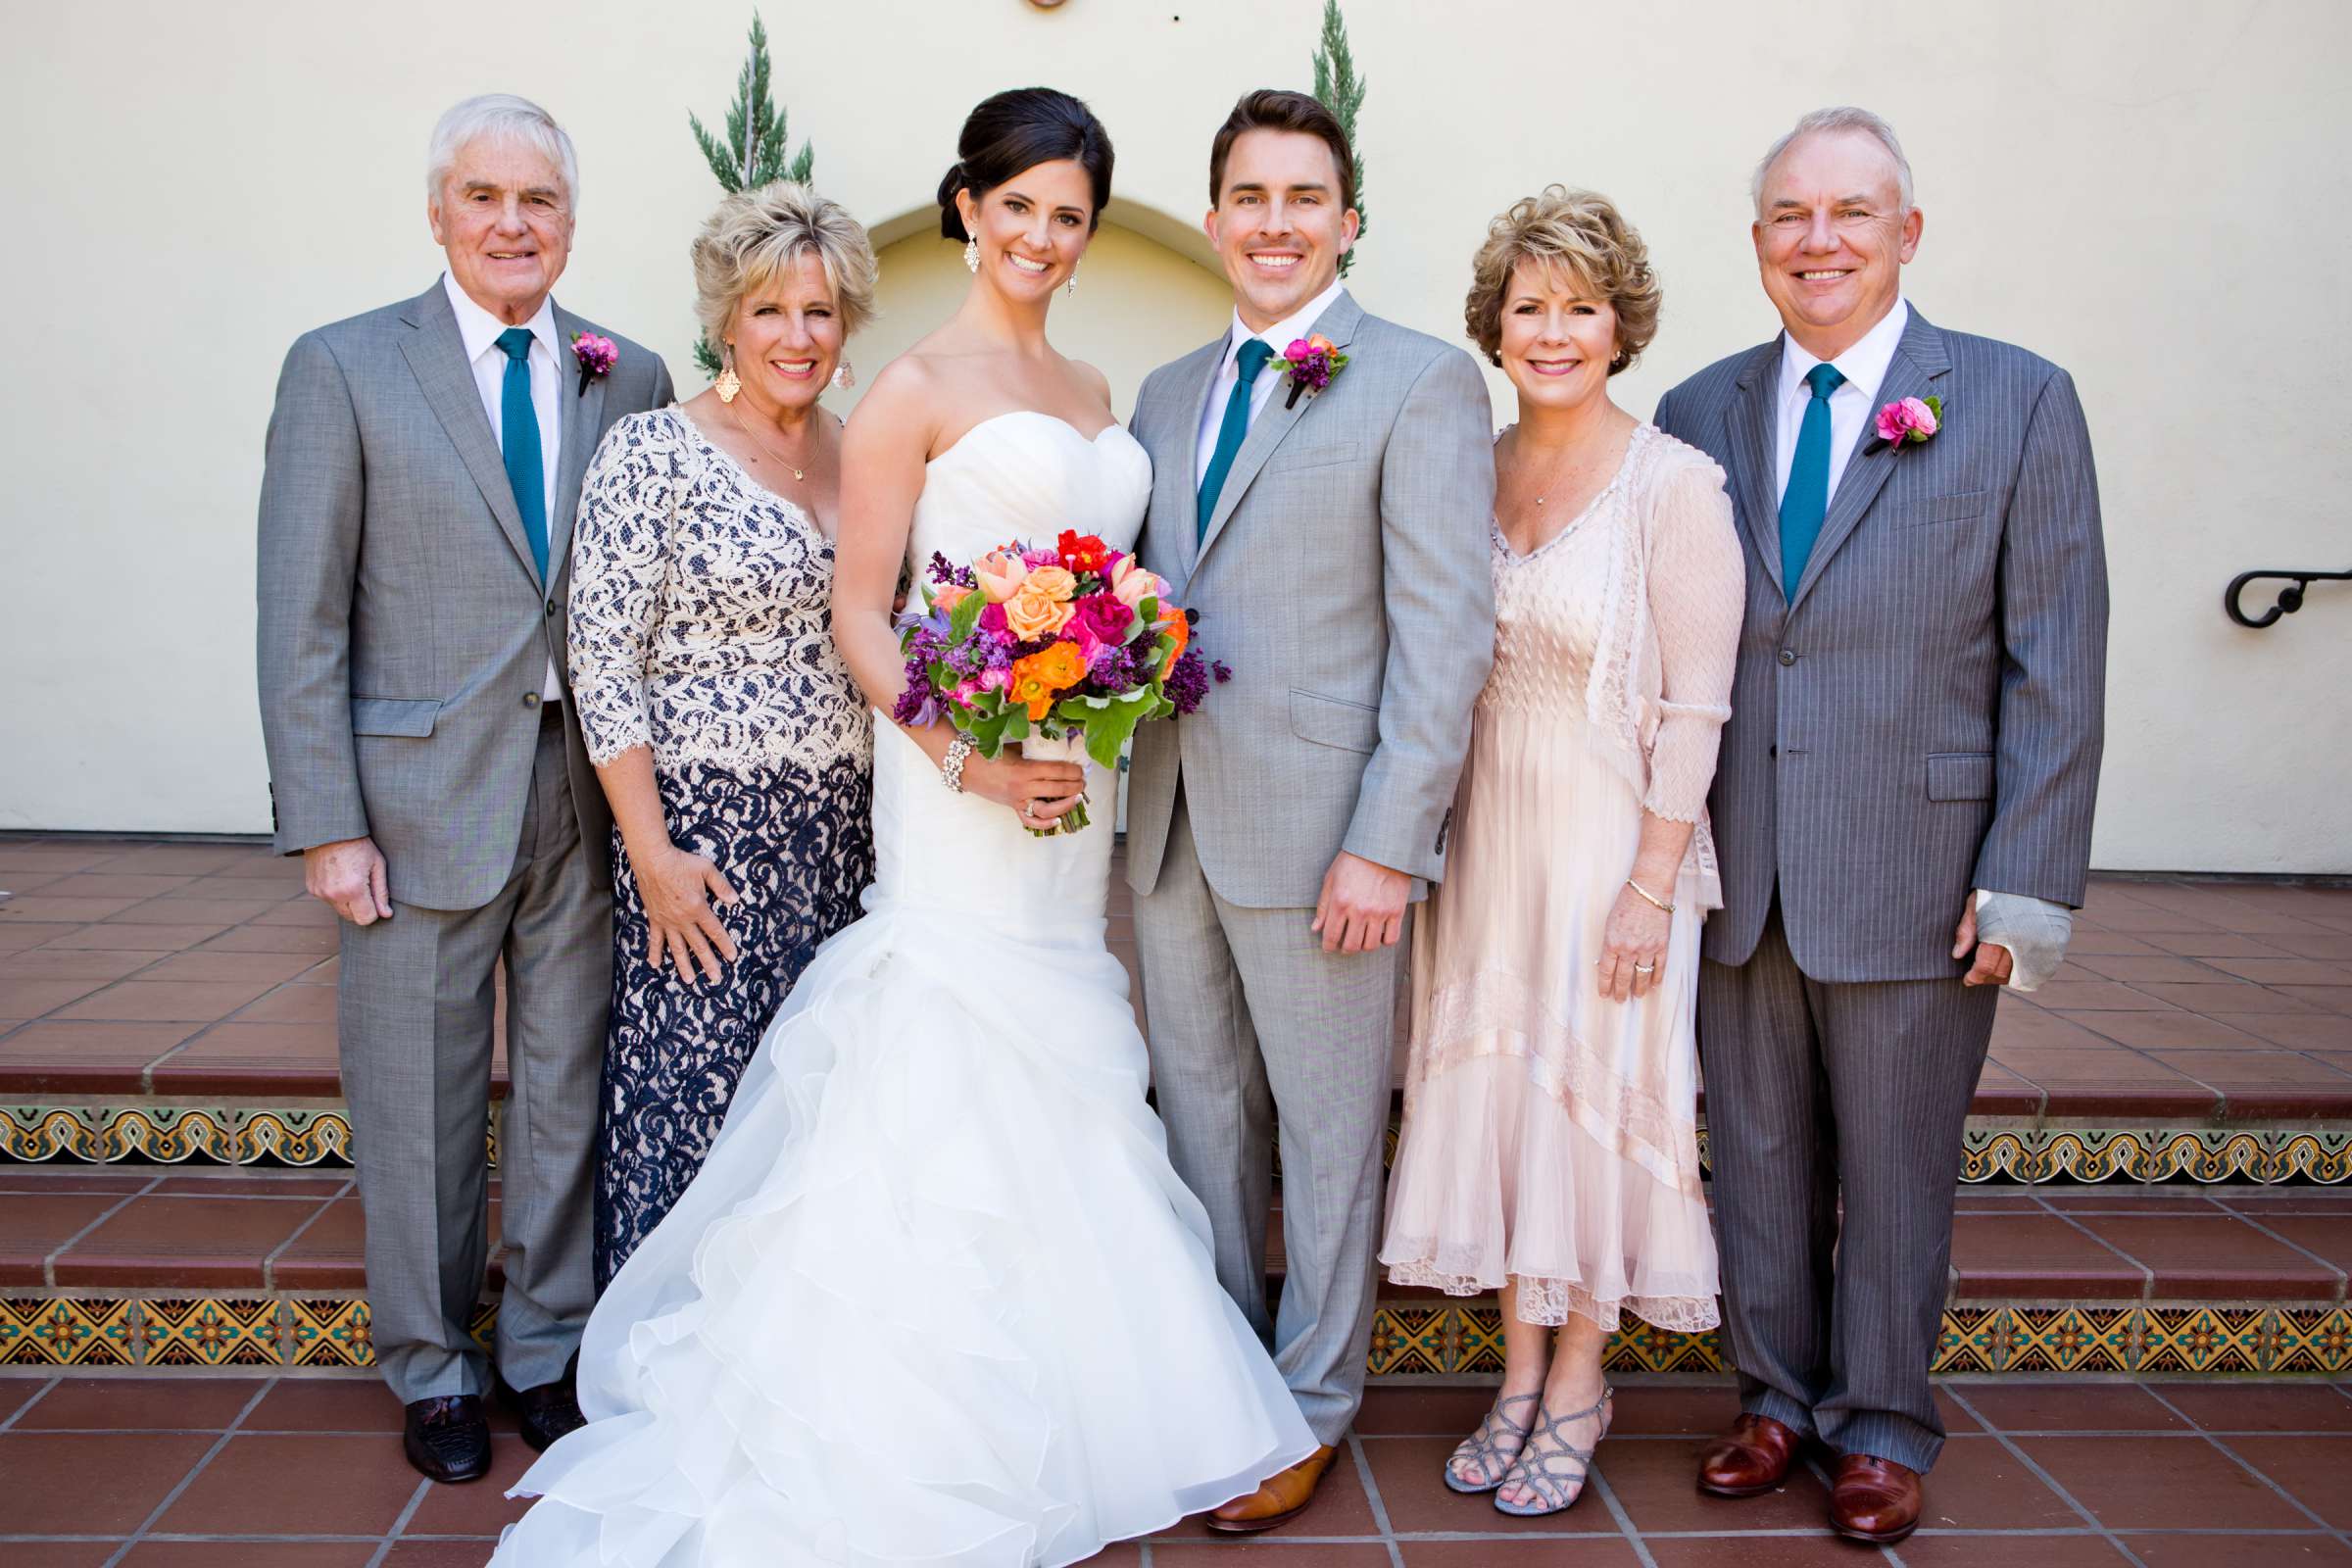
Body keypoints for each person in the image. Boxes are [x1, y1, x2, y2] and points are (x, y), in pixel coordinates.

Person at [491, 88, 1315, 1567]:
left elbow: (1106, 583)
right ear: (966, 212)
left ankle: (1086, 1376)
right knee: (942, 1051)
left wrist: (1107, 681)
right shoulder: (912, 392)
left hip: (1073, 799)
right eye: (1019, 210)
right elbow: (861, 620)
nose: (1045, 238)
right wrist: (971, 764)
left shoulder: (1095, 384)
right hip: (960, 799)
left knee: (1060, 1050)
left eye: (1069, 214)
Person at [1653, 107, 2107, 1544]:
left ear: (1908, 233)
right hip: (1740, 863)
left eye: (1853, 213)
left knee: (1901, 1162)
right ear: (1757, 244)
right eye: (1792, 215)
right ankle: (1778, 1401)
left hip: (1919, 869)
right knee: (1764, 1153)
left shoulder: (2019, 400)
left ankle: (1884, 1423)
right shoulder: (1696, 411)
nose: (1820, 240)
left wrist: (2027, 880)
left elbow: (2058, 658)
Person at [255, 93, 673, 1484]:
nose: (512, 223)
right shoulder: (346, 368)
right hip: (416, 799)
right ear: (438, 210)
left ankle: (545, 1350)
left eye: (538, 200)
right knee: (417, 1098)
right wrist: (327, 822)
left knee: (567, 1085)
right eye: (484, 197)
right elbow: (300, 616)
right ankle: (432, 1365)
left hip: (582, 791)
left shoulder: (632, 375)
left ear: (570, 220)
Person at [1122, 89, 1496, 1533]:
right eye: (1249, 198)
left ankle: (1313, 1404)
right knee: (1203, 1118)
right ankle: (1223, 1379)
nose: (1274, 225)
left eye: (1303, 200)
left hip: (1328, 832)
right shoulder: (1164, 394)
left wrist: (1388, 841)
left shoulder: (1417, 380)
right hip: (1169, 826)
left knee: (1331, 1133)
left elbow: (1444, 635)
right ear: (1214, 218)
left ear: (1347, 223)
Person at [1380, 187, 1740, 1516]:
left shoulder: (1674, 486)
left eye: (1580, 306)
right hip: (1485, 845)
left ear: (1619, 322)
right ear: (1495, 323)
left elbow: (1699, 706)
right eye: (1529, 306)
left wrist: (1652, 888)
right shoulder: (1463, 464)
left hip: (1611, 857)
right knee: (1510, 1100)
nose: (1553, 330)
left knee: (1593, 1105)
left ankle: (1582, 1381)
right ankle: (1516, 1374)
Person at [568, 182, 878, 1289]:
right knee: (694, 1099)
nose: (797, 337)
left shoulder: (869, 452)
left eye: (821, 312)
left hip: (846, 840)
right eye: (770, 311)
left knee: (814, 1112)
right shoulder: (653, 451)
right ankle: (657, 1367)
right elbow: (602, 662)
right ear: (724, 322)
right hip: (706, 834)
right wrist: (652, 855)